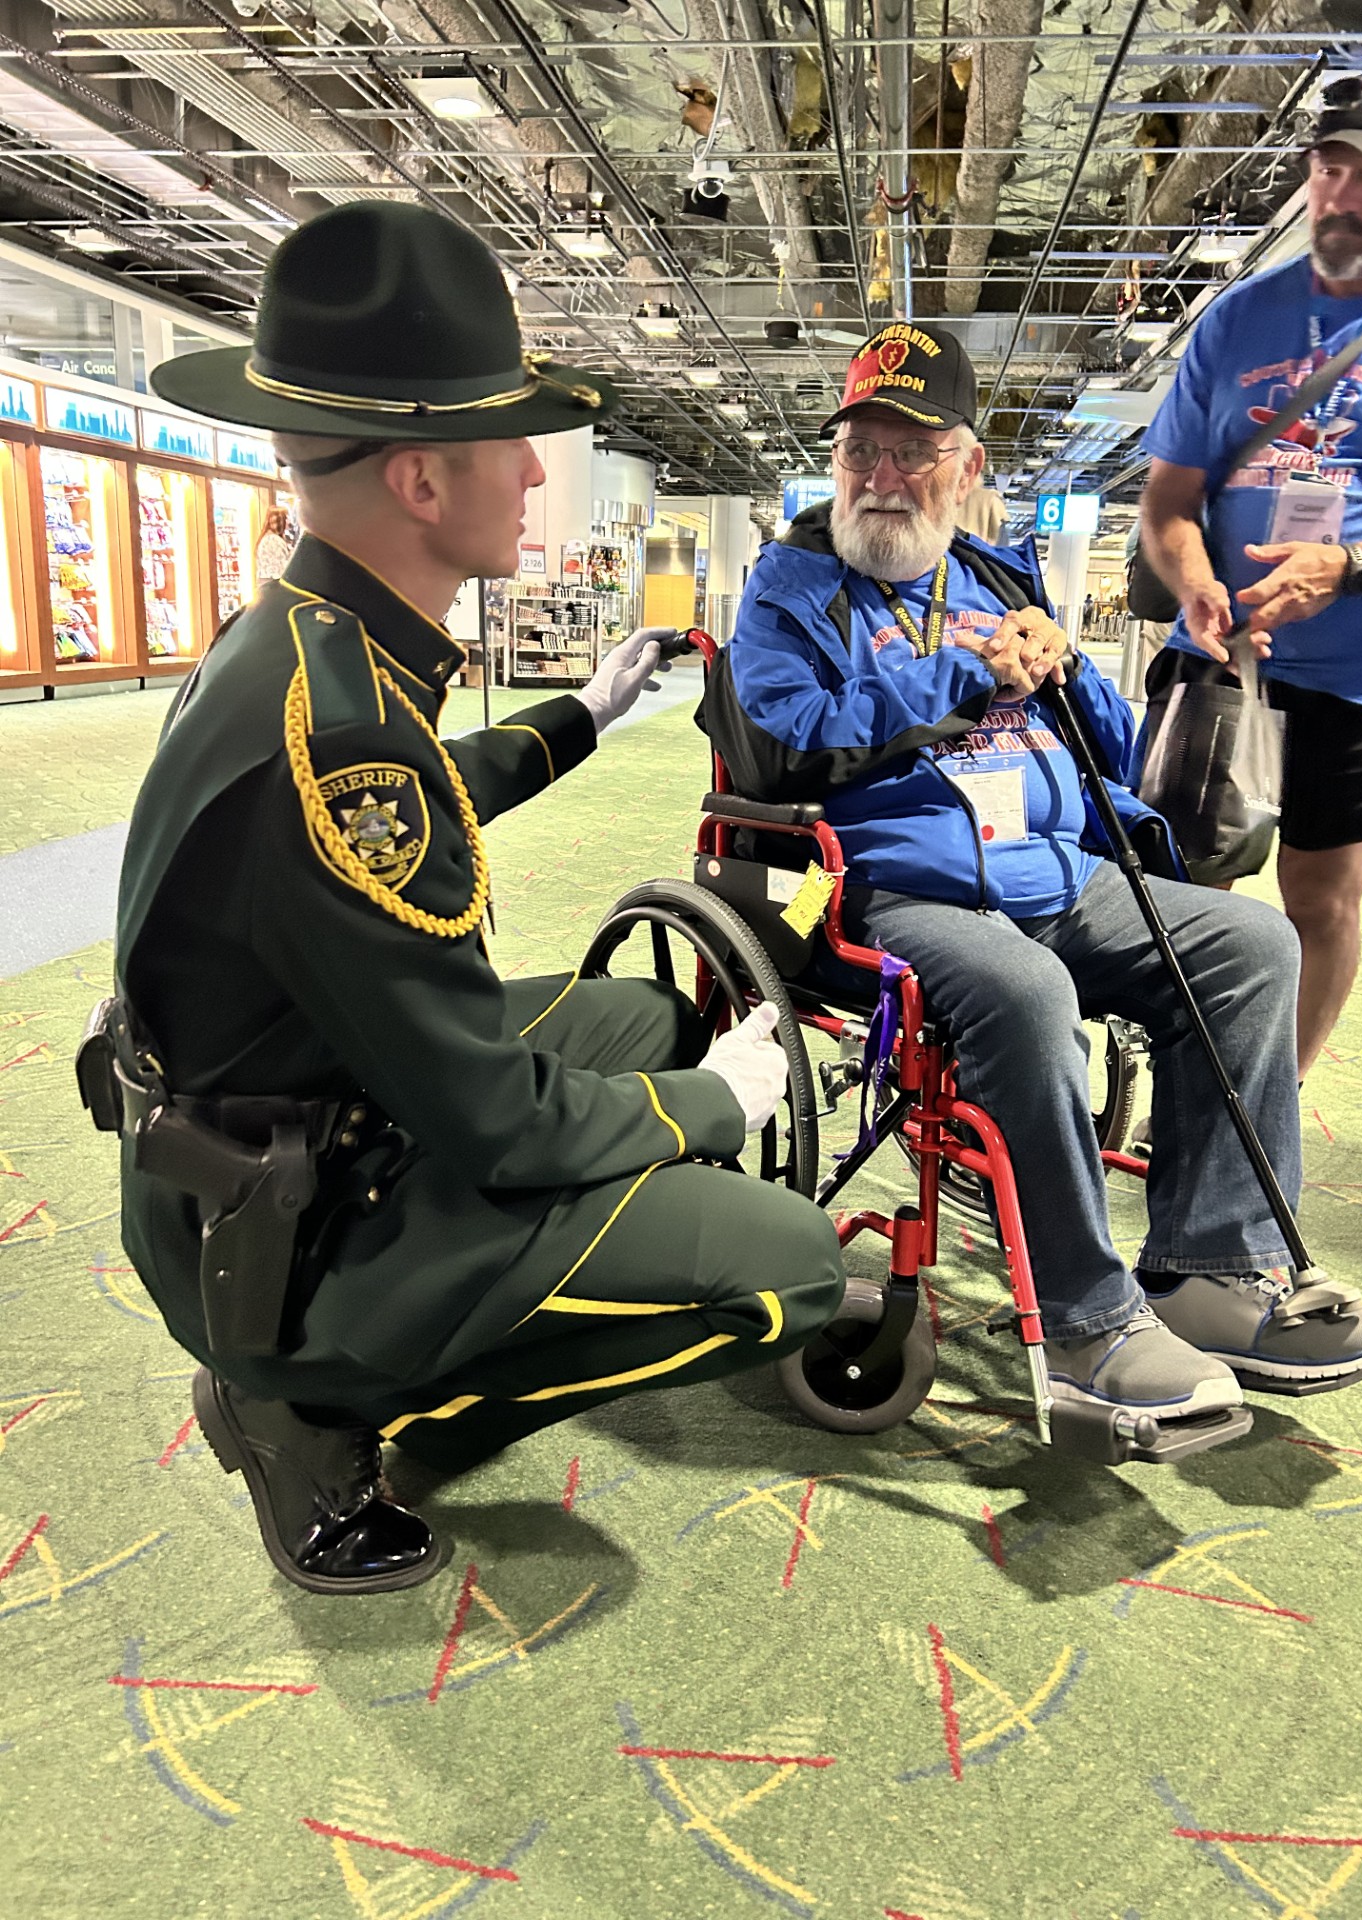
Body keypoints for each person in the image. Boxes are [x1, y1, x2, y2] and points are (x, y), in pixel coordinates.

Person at [100, 202, 845, 1596]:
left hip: (282, 1120)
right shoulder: (337, 728)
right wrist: (714, 1106)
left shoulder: (306, 643)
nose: (534, 470)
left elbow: (412, 806)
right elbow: (497, 1121)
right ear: (422, 481)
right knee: (790, 1272)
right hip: (285, 1226)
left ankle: (423, 1320)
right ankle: (308, 1409)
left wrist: (581, 717)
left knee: (638, 1017)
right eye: (511, 441)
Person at [702, 321, 1362, 1435]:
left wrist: (1069, 672)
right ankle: (1087, 1323)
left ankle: (1213, 1273)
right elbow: (783, 741)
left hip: (1056, 871)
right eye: (861, 451)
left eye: (913, 451)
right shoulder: (791, 585)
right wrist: (960, 678)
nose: (882, 476)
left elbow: (1113, 756)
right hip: (893, 889)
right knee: (1028, 990)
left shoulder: (997, 573)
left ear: (966, 465)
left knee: (1253, 946)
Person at [1139, 67, 1362, 1079]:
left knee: (1321, 902)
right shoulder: (1237, 319)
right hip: (1222, 662)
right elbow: (1168, 504)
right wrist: (1192, 580)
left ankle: (1270, 1104)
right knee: (1189, 891)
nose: (1342, 194)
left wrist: (1346, 568)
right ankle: (1186, 1083)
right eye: (1328, 168)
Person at [253, 506, 292, 584]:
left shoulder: (268, 538)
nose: (289, 521)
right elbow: (281, 570)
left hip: (267, 584)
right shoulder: (274, 540)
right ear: (280, 521)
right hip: (274, 585)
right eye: (286, 518)